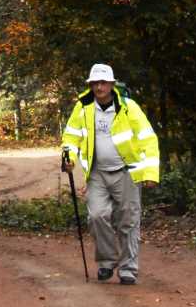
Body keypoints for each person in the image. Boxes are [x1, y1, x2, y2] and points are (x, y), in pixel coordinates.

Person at [60, 63, 159, 284]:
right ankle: (106, 262)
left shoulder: (128, 107)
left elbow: (148, 138)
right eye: (95, 83)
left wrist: (151, 172)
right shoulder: (83, 107)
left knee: (128, 220)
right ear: (91, 85)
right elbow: (71, 137)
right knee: (96, 216)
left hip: (127, 172)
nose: (99, 87)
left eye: (103, 82)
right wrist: (69, 158)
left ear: (112, 84)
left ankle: (128, 269)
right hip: (97, 173)